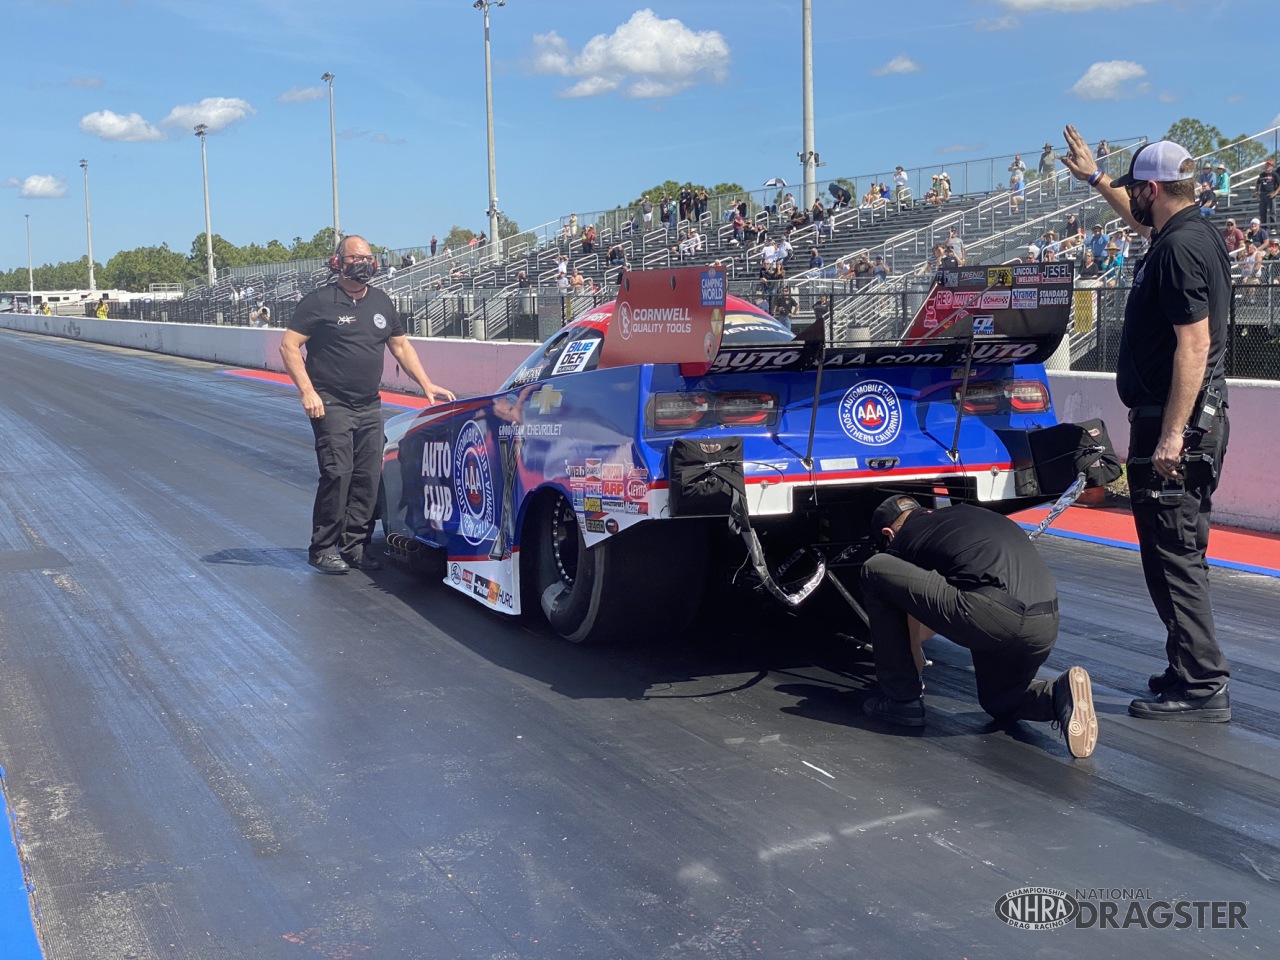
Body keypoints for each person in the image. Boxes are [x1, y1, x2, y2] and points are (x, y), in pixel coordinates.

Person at [1063, 127, 1233, 721]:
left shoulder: (1180, 248)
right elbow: (1142, 222)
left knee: (1174, 555)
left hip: (1175, 421)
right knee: (1173, 551)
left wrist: (1172, 434)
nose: (1131, 198)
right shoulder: (1189, 232)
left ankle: (1203, 683)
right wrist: (1095, 180)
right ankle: (1189, 664)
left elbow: (1194, 344)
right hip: (1181, 417)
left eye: (1136, 188)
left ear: (1154, 188)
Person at [860, 496, 1097, 758]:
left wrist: (906, 676)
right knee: (999, 701)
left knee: (875, 569)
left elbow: (915, 627)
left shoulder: (906, 538)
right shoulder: (963, 518)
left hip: (993, 615)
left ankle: (901, 703)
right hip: (1044, 624)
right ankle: (1056, 694)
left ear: (888, 533)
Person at [280, 235, 455, 575]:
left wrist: (426, 383)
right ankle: (322, 547)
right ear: (339, 262)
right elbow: (289, 347)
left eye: (368, 256)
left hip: (369, 405)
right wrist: (307, 391)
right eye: (356, 257)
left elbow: (401, 347)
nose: (364, 262)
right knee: (337, 473)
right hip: (331, 403)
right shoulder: (319, 302)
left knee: (366, 477)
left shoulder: (381, 302)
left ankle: (355, 545)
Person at [1256, 158, 1278, 226]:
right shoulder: (1262, 175)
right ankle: (1264, 226)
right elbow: (1257, 184)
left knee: (1272, 211)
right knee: (1262, 211)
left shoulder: (1274, 174)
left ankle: (1273, 227)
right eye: (1266, 165)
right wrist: (1257, 192)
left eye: (1269, 165)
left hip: (1271, 193)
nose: (1267, 166)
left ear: (1271, 166)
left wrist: (1275, 192)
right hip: (1262, 194)